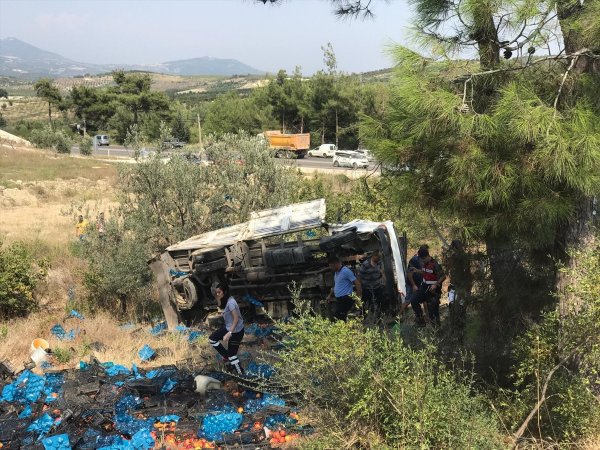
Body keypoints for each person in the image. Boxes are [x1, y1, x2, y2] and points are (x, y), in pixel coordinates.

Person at [208, 283, 245, 375]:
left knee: (232, 355)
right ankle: (226, 356)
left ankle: (241, 374)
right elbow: (221, 306)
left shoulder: (231, 303)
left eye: (219, 292)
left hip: (236, 331)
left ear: (225, 292)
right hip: (229, 327)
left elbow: (236, 318)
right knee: (212, 339)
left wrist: (229, 333)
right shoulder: (227, 300)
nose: (218, 294)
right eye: (216, 293)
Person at [410, 249, 446, 327]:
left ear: (427, 256)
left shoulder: (435, 264)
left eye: (422, 259)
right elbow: (425, 272)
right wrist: (417, 270)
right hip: (424, 287)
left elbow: (443, 276)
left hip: (433, 290)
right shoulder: (424, 263)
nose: (422, 261)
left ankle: (436, 330)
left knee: (432, 311)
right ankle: (420, 321)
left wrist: (436, 284)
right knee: (413, 300)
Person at [327, 255, 362, 321]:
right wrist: (330, 295)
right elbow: (336, 285)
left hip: (346, 298)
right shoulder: (336, 273)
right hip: (340, 299)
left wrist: (358, 298)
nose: (330, 267)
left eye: (331, 265)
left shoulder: (346, 271)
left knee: (337, 317)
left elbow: (357, 284)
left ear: (336, 263)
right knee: (342, 318)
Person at [400, 245, 429, 318]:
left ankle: (428, 317)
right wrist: (413, 285)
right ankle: (398, 316)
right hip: (412, 283)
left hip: (420, 283)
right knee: (408, 300)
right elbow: (409, 273)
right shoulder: (414, 260)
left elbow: (423, 271)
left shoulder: (424, 259)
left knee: (425, 300)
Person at [359, 251, 385, 316]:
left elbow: (382, 272)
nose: (379, 259)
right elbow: (359, 277)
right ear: (374, 256)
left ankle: (379, 316)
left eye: (380, 258)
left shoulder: (379, 263)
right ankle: (362, 316)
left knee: (380, 300)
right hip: (367, 288)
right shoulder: (365, 264)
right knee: (364, 303)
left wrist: (383, 277)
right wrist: (360, 288)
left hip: (377, 286)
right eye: (378, 257)